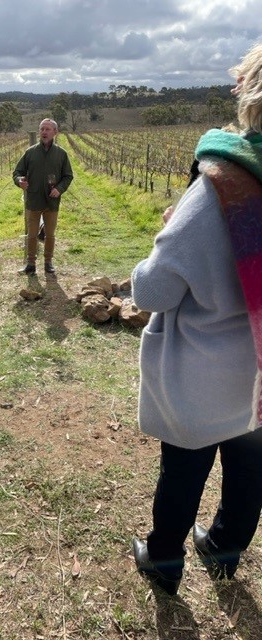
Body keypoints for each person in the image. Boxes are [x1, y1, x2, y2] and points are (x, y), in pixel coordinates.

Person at [131, 42, 262, 596]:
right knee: (250, 462)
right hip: (258, 374)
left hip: (204, 371)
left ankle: (164, 560)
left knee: (184, 470)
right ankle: (228, 545)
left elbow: (154, 288)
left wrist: (166, 234)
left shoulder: (219, 185)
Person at [13, 118, 73, 275]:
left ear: (55, 132)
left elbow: (68, 176)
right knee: (32, 234)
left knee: (50, 234)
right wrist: (19, 181)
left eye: (47, 129)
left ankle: (48, 262)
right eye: (42, 129)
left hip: (52, 201)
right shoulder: (30, 152)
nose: (44, 132)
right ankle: (30, 263)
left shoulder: (61, 154)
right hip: (33, 200)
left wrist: (59, 189)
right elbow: (17, 172)